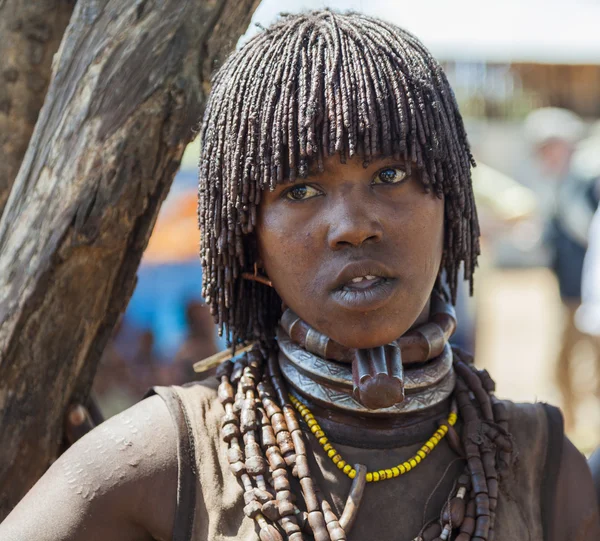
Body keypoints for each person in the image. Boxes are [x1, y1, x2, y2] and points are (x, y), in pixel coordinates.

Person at [1, 11, 598, 541]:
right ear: (250, 240)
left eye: (390, 175)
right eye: (302, 189)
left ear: (451, 201)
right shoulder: (161, 464)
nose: (353, 226)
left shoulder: (542, 467)